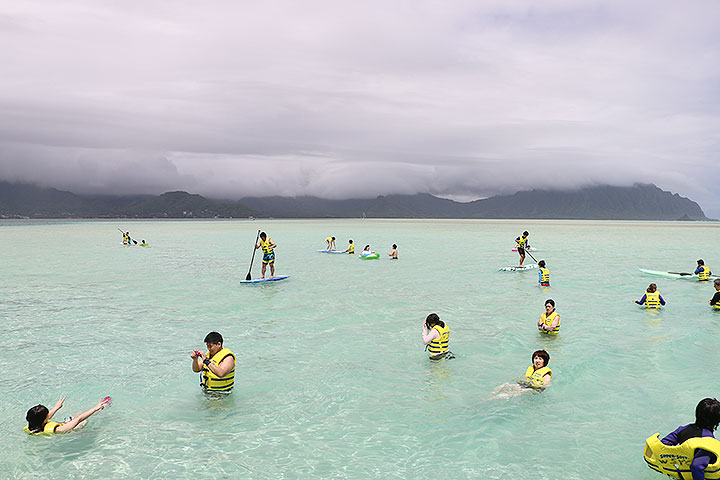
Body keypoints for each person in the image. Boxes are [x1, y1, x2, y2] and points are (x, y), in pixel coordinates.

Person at [658, 398, 720, 480]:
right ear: (717, 421)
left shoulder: (682, 429)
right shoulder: (708, 442)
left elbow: (663, 444)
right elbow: (697, 466)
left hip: (682, 475)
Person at [24, 396, 109, 435]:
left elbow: (45, 419)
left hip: (64, 423)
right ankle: (101, 407)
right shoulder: (57, 429)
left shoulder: (32, 425)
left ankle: (98, 407)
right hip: (74, 429)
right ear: (43, 420)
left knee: (78, 414)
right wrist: (94, 408)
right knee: (82, 415)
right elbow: (79, 419)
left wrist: (56, 408)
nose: (49, 415)